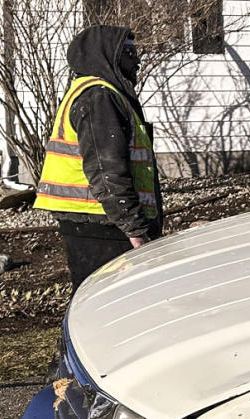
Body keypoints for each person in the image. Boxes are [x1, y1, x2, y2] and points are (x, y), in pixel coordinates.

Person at [33, 25, 162, 291]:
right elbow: (106, 171)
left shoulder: (99, 94)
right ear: (107, 56)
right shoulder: (99, 97)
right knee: (111, 307)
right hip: (101, 225)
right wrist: (136, 230)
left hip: (97, 220)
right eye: (129, 52)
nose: (137, 60)